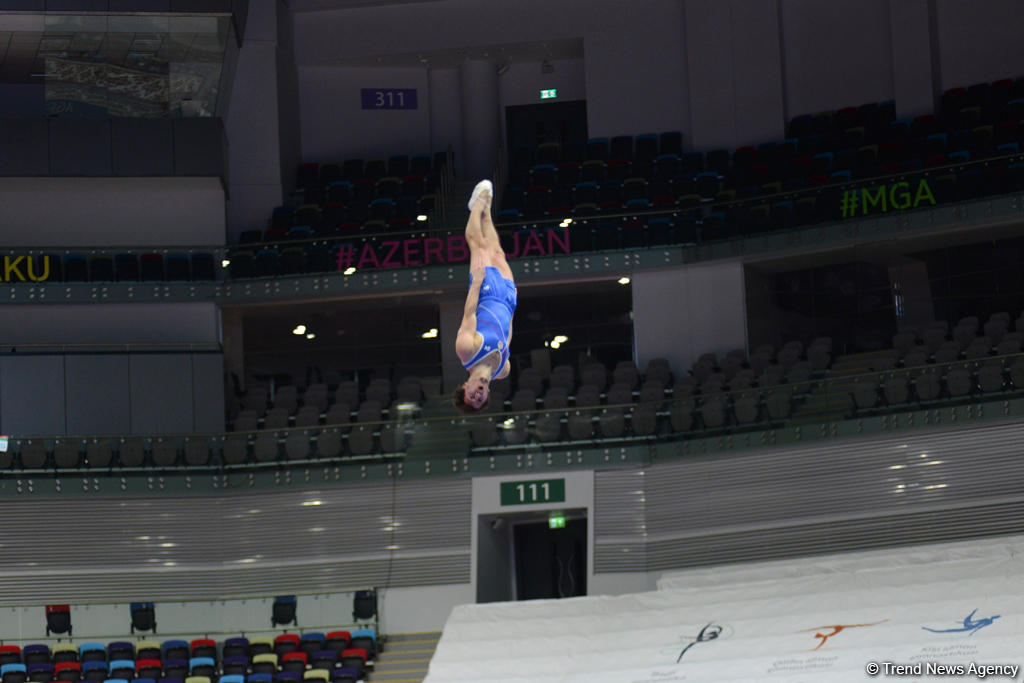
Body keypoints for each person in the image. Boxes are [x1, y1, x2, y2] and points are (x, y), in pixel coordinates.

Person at [453, 179, 517, 413]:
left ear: (464, 386)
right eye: (480, 399)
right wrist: (511, 306)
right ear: (488, 394)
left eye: (471, 396)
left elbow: (469, 313)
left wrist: (477, 284)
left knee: (478, 246)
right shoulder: (504, 370)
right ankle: (487, 211)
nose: (477, 395)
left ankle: (477, 205)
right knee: (497, 251)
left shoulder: (467, 350)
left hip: (486, 293)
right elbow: (507, 335)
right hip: (508, 300)